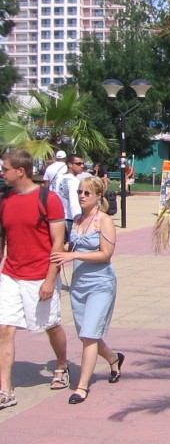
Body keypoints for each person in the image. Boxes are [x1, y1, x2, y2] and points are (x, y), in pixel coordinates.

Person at [0, 149, 69, 410]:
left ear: (21, 170)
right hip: (11, 276)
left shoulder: (48, 199)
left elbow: (58, 243)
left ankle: (62, 365)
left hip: (40, 275)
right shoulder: (5, 199)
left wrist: (50, 280)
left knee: (50, 325)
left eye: (5, 168)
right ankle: (6, 390)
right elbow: (3, 238)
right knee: (4, 328)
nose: (2, 173)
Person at [49, 176, 124, 405]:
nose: (82, 196)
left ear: (98, 196)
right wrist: (61, 249)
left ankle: (82, 386)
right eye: (80, 192)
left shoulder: (104, 221)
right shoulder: (79, 219)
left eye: (87, 193)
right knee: (87, 335)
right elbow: (70, 245)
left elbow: (105, 254)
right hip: (79, 285)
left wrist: (73, 255)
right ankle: (113, 359)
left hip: (101, 284)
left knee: (89, 335)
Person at [56, 153, 87, 238]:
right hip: (70, 219)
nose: (82, 166)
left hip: (57, 218)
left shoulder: (58, 178)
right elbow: (75, 204)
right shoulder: (74, 181)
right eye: (78, 164)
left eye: (83, 163)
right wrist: (78, 221)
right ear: (69, 164)